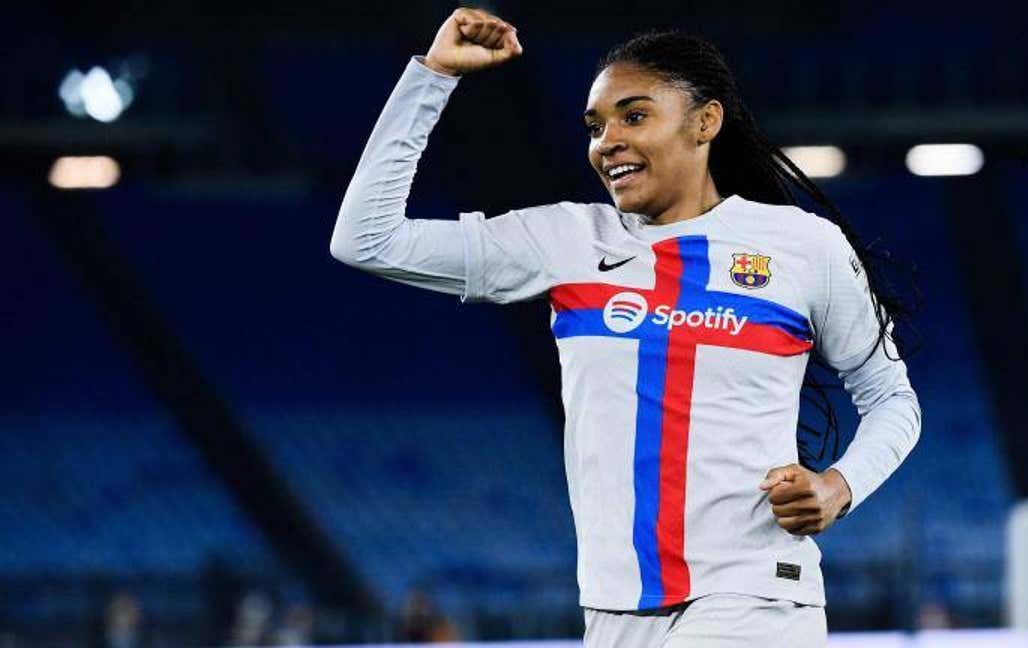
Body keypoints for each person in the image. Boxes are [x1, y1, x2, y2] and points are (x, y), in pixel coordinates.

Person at [330, 8, 921, 647]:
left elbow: (891, 398)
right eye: (595, 126)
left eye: (634, 116)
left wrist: (838, 486)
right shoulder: (566, 241)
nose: (607, 140)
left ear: (706, 121)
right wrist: (434, 75)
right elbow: (368, 239)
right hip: (613, 610)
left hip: (754, 595)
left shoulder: (803, 245)